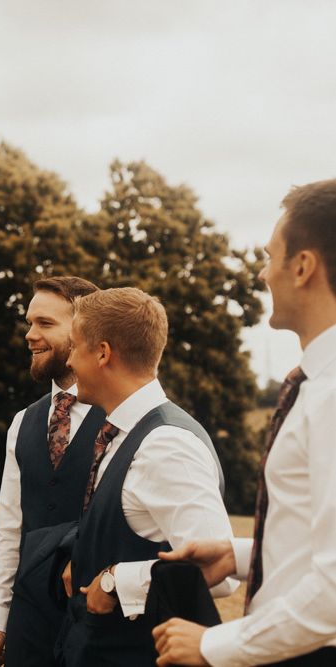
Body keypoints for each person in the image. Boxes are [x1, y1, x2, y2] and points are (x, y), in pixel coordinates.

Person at [154, 179, 336, 666]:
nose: (262, 274)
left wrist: (214, 645)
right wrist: (238, 554)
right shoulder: (316, 384)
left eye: (269, 256)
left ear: (302, 267)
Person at [59, 287, 237, 666]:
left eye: (75, 346)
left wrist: (116, 581)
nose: (70, 360)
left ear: (104, 352)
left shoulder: (166, 444)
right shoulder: (121, 431)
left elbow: (220, 571)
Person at [0, 276, 105, 667]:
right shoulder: (22, 423)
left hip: (97, 624)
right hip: (28, 625)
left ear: (85, 330)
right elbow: (10, 527)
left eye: (45, 324)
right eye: (30, 322)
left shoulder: (125, 421)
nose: (30, 335)